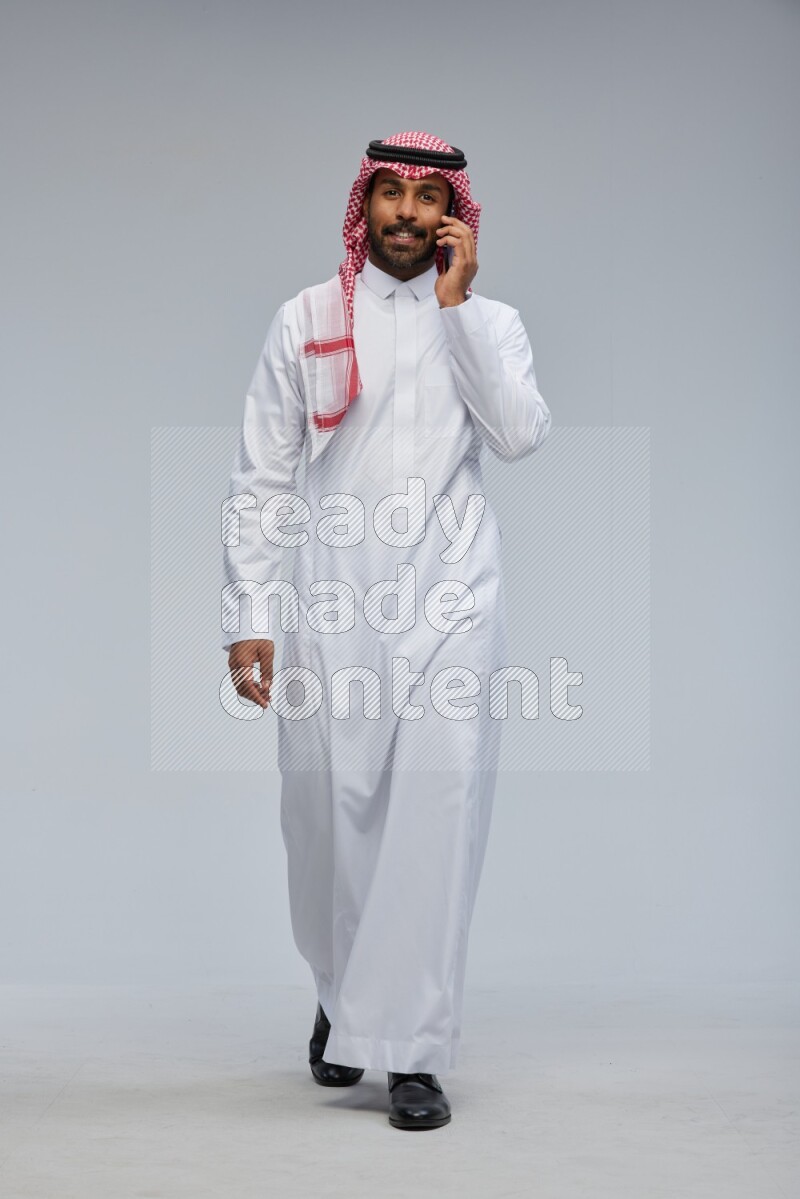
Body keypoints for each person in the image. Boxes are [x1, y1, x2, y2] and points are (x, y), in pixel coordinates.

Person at [221, 131, 552, 1130]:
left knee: (435, 815)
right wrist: (250, 615)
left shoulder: (489, 321)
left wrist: (455, 309)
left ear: (452, 211)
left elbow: (516, 433)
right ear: (361, 205)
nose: (406, 214)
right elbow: (261, 478)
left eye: (425, 197)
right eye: (389, 195)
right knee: (325, 816)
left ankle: (409, 1048)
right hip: (333, 598)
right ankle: (339, 994)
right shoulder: (308, 317)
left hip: (452, 595)